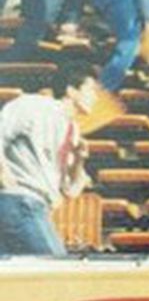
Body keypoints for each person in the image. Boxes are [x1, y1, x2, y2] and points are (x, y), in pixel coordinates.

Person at [0, 62, 98, 256]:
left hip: (36, 206)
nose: (95, 97)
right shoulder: (33, 105)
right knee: (58, 273)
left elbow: (71, 191)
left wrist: (79, 160)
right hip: (19, 201)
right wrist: (2, 173)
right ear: (71, 90)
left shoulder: (73, 131)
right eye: (91, 90)